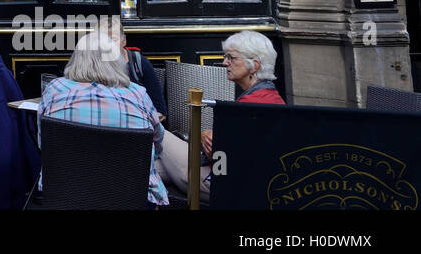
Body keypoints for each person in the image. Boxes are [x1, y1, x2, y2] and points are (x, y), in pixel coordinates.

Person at [38, 30, 167, 206]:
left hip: (65, 194)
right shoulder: (137, 94)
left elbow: (44, 143)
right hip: (131, 197)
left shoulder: (54, 89)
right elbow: (157, 143)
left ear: (77, 58)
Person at [160, 30, 284, 203]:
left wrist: (208, 141)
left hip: (223, 185)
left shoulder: (248, 107)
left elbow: (222, 161)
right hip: (248, 183)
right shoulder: (271, 97)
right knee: (154, 168)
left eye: (231, 58)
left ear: (254, 65)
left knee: (155, 129)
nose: (225, 63)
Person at [106, 16, 167, 118]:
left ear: (123, 41)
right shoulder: (92, 66)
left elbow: (160, 111)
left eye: (113, 40)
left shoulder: (140, 64)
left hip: (140, 125)